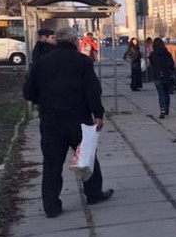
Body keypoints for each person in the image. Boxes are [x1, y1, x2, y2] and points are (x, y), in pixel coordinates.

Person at [22, 27, 114, 218]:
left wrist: (46, 102)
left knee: (52, 164)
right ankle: (93, 193)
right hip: (78, 118)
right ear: (74, 41)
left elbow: (28, 92)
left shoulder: (41, 64)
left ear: (56, 41)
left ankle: (51, 206)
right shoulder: (82, 62)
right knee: (87, 157)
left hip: (51, 121)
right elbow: (93, 91)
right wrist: (98, 114)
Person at [148, 38, 175, 119]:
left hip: (157, 76)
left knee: (161, 94)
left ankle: (162, 110)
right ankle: (166, 108)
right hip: (166, 76)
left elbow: (151, 64)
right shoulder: (167, 54)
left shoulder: (152, 54)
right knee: (166, 93)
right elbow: (172, 64)